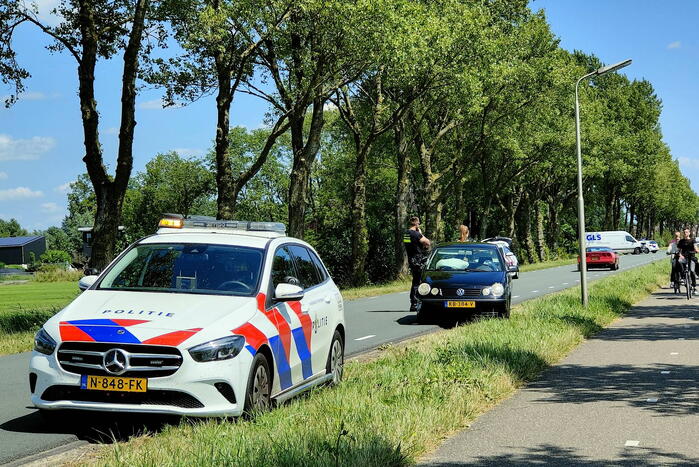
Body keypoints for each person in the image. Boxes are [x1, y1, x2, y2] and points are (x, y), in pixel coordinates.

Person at [404, 216, 431, 312]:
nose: (419, 225)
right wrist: (420, 233)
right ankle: (416, 302)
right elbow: (427, 242)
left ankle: (413, 302)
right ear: (415, 223)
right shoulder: (415, 234)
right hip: (418, 259)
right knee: (419, 281)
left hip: (411, 259)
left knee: (415, 280)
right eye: (418, 223)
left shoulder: (406, 234)